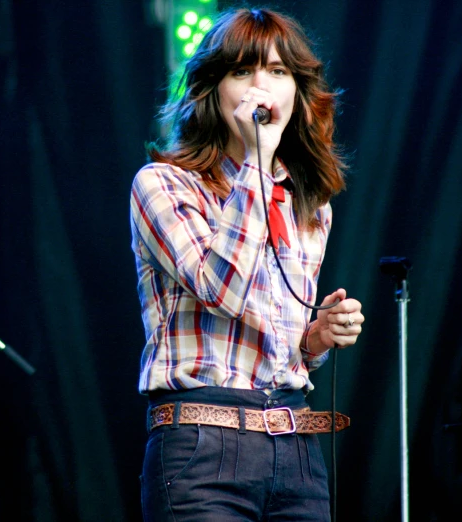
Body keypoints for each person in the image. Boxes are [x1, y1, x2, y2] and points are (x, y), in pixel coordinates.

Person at [129, 5, 364, 521]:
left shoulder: (307, 202)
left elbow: (277, 340)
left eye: (278, 72)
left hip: (296, 444)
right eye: (242, 71)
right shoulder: (163, 185)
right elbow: (223, 291)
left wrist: (317, 337)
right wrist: (256, 161)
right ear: (213, 90)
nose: (261, 84)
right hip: (201, 448)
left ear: (297, 94)